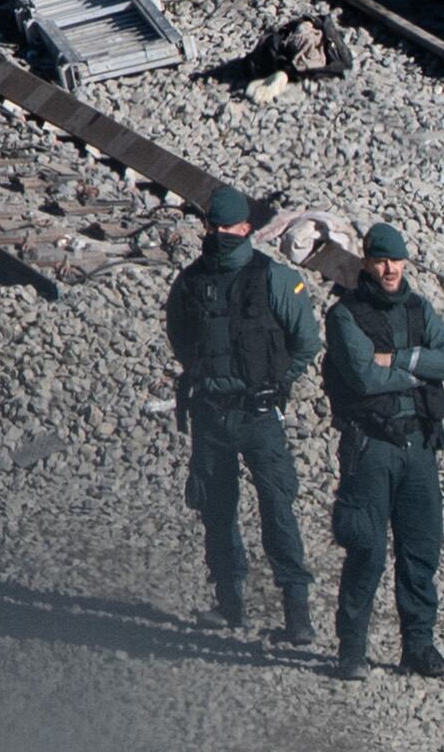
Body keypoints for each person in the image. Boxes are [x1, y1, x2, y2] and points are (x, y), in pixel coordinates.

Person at [164, 184, 320, 646]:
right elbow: (181, 339)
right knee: (217, 510)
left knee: (277, 509)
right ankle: (229, 603)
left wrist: (279, 381)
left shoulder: (274, 278)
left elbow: (306, 342)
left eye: (228, 227)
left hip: (259, 415)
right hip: (211, 414)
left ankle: (297, 613)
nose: (219, 235)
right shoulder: (190, 282)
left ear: (247, 228)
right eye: (213, 227)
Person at [324, 222, 444, 682]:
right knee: (366, 550)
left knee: (421, 550)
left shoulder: (419, 308)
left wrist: (398, 359)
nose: (390, 269)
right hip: (371, 447)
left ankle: (419, 647)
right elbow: (364, 377)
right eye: (382, 260)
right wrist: (421, 369)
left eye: (397, 260)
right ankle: (351, 651)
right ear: (366, 261)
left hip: (420, 445)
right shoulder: (345, 314)